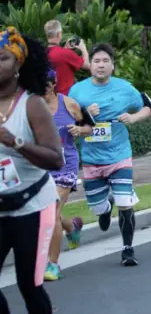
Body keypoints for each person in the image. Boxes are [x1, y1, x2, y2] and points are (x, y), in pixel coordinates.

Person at [68, 43, 151, 266]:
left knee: (125, 202)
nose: (101, 65)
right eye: (96, 61)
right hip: (91, 158)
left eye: (106, 61)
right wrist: (86, 114)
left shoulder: (125, 88)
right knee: (98, 206)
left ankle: (128, 249)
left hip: (119, 155)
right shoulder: (77, 91)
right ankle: (104, 209)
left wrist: (133, 118)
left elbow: (148, 108)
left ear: (113, 66)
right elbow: (69, 120)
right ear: (91, 65)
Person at [0, 28, 64, 313]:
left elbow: (55, 159)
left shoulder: (32, 105)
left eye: (2, 58)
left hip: (32, 206)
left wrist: (16, 142)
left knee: (29, 284)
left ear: (18, 66)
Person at [43, 69, 84, 282]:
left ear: (54, 83)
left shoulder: (68, 103)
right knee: (49, 212)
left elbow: (89, 125)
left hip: (65, 166)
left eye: (48, 84)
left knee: (51, 212)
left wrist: (80, 130)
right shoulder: (30, 106)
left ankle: (53, 264)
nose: (44, 88)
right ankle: (72, 226)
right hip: (40, 167)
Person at [44, 20, 89, 95]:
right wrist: (83, 48)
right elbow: (87, 65)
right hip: (66, 98)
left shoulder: (43, 53)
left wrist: (65, 49)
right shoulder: (65, 54)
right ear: (59, 34)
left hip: (50, 96)